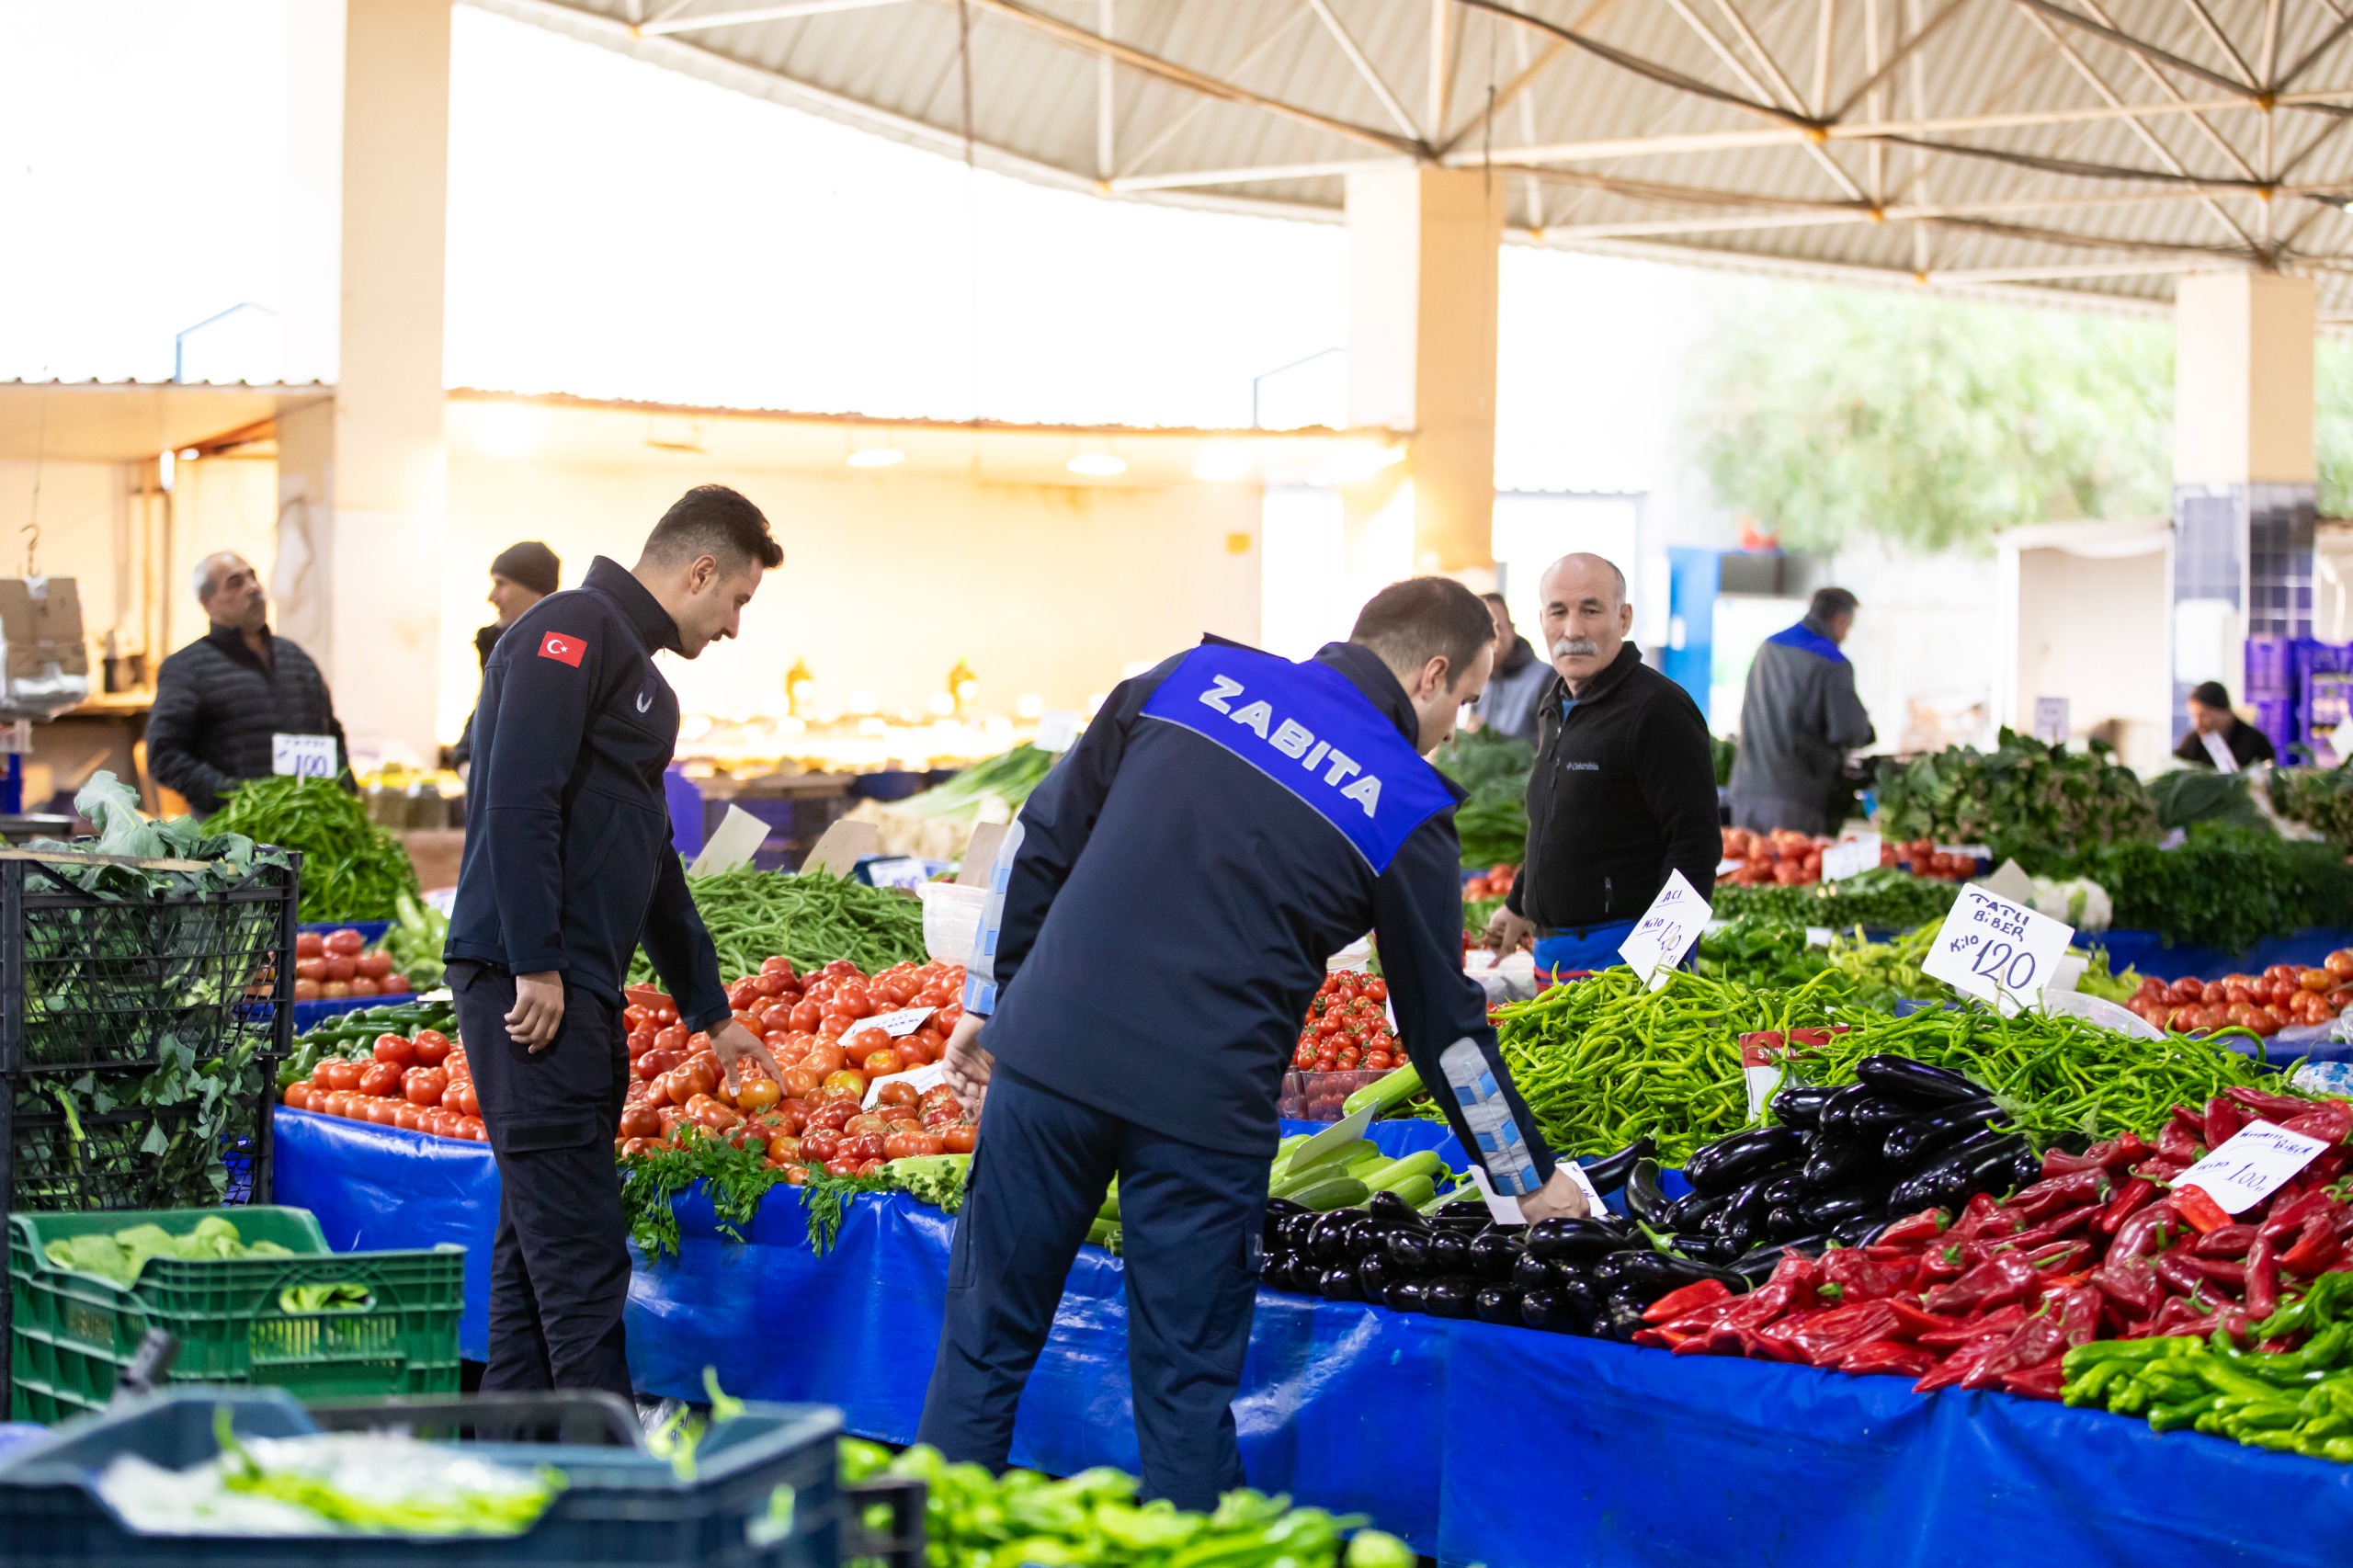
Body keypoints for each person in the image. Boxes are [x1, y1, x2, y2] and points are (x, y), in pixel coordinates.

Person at [916, 577, 1586, 1509]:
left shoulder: (1191, 678)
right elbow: (1443, 1028)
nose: (1455, 727)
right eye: (1466, 699)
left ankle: (915, 1544)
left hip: (1050, 1060)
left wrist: (989, 1000)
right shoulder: (1406, 804)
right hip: (1201, 1108)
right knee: (1183, 1393)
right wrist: (1524, 1175)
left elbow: (1041, 835)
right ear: (1431, 675)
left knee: (982, 1347)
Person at [442, 484, 786, 1400]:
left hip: (577, 986)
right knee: (582, 1259)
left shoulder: (636, 671)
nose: (734, 626)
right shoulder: (572, 628)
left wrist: (712, 1013)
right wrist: (534, 959)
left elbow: (653, 859)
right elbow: (519, 794)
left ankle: (518, 1458)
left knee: (535, 1257)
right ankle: (613, 1472)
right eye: (738, 600)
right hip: (531, 987)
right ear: (700, 571)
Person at [1483, 553, 1721, 976]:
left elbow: (1695, 846)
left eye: (1590, 610)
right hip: (1554, 960)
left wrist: (1655, 966)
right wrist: (1519, 903)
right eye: (1559, 611)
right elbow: (1555, 824)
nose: (1573, 629)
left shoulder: (1658, 709)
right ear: (1542, 620)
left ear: (1623, 618)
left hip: (1621, 967)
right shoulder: (1556, 704)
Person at [146, 551, 351, 814]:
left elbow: (332, 734)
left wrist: (344, 790)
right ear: (207, 602)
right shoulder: (186, 668)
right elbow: (164, 755)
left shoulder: (297, 659)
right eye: (235, 583)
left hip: (311, 824)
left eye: (252, 577)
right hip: (234, 829)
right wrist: (237, 799)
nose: (253, 588)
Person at [1727, 586, 1877, 835]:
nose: (1845, 636)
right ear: (1840, 619)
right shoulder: (1832, 661)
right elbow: (1848, 730)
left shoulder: (1768, 647)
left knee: (1748, 858)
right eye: (1848, 627)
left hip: (1746, 790)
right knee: (1793, 859)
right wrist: (1867, 732)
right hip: (1794, 798)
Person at [450, 541, 563, 769]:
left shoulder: (560, 657)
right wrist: (464, 759)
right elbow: (485, 709)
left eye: (501, 584)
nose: (491, 597)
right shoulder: (495, 643)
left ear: (536, 591)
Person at [1467, 592, 1551, 744]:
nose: (1490, 639)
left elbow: (1551, 742)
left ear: (1512, 629)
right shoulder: (1478, 679)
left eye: (1496, 627)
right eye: (1479, 631)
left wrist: (1492, 738)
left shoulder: (1547, 678)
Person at [2175, 680, 2277, 771]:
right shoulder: (2192, 743)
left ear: (2224, 712)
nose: (2198, 723)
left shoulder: (2256, 743)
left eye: (2204, 715)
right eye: (2194, 716)